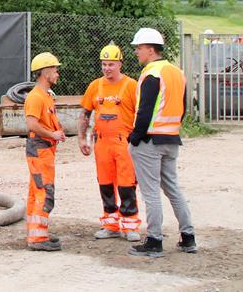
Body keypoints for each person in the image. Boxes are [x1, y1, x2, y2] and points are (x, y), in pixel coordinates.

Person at [126, 27, 196, 258]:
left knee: (151, 193)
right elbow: (184, 108)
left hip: (150, 140)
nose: (136, 52)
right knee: (173, 189)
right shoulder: (176, 72)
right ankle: (188, 237)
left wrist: (134, 139)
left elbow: (144, 111)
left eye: (138, 48)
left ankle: (154, 241)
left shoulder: (151, 73)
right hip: (171, 138)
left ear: (149, 48)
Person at [77, 42, 141, 241]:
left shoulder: (131, 85)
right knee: (105, 183)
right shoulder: (95, 86)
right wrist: (82, 138)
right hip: (102, 143)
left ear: (120, 64)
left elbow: (141, 113)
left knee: (127, 184)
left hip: (124, 143)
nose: (107, 68)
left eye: (111, 64)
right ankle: (110, 224)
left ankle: (130, 226)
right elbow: (85, 113)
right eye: (104, 64)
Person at [24, 52, 66, 251]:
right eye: (55, 70)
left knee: (36, 191)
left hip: (43, 149)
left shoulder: (45, 96)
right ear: (45, 72)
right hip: (40, 148)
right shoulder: (36, 97)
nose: (57, 73)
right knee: (44, 191)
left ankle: (36, 233)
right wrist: (53, 134)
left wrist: (55, 133)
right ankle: (38, 238)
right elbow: (32, 124)